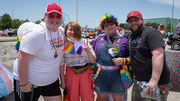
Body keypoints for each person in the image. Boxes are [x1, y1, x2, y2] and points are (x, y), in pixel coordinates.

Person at [18, 3, 65, 101]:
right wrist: (23, 84)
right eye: (51, 15)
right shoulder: (37, 32)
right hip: (32, 83)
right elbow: (21, 59)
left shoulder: (61, 31)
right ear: (44, 16)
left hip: (52, 81)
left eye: (58, 16)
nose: (55, 19)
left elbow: (64, 56)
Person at [126, 11, 170, 101]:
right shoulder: (129, 36)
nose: (133, 23)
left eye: (136, 20)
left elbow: (158, 55)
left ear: (142, 20)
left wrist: (154, 80)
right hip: (139, 82)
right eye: (130, 21)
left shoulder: (152, 33)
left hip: (158, 83)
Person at [92, 14, 130, 101]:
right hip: (100, 75)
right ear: (103, 28)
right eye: (106, 26)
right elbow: (92, 58)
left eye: (111, 24)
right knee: (101, 98)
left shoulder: (124, 40)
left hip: (118, 76)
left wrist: (123, 60)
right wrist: (91, 70)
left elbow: (132, 58)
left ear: (116, 25)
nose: (109, 27)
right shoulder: (98, 40)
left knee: (118, 98)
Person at [62, 22, 96, 101]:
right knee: (72, 97)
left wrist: (88, 51)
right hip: (70, 73)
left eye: (75, 30)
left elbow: (93, 60)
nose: (72, 32)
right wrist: (62, 80)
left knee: (87, 97)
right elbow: (61, 64)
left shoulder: (84, 42)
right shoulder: (63, 43)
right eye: (70, 29)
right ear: (66, 30)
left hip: (85, 73)